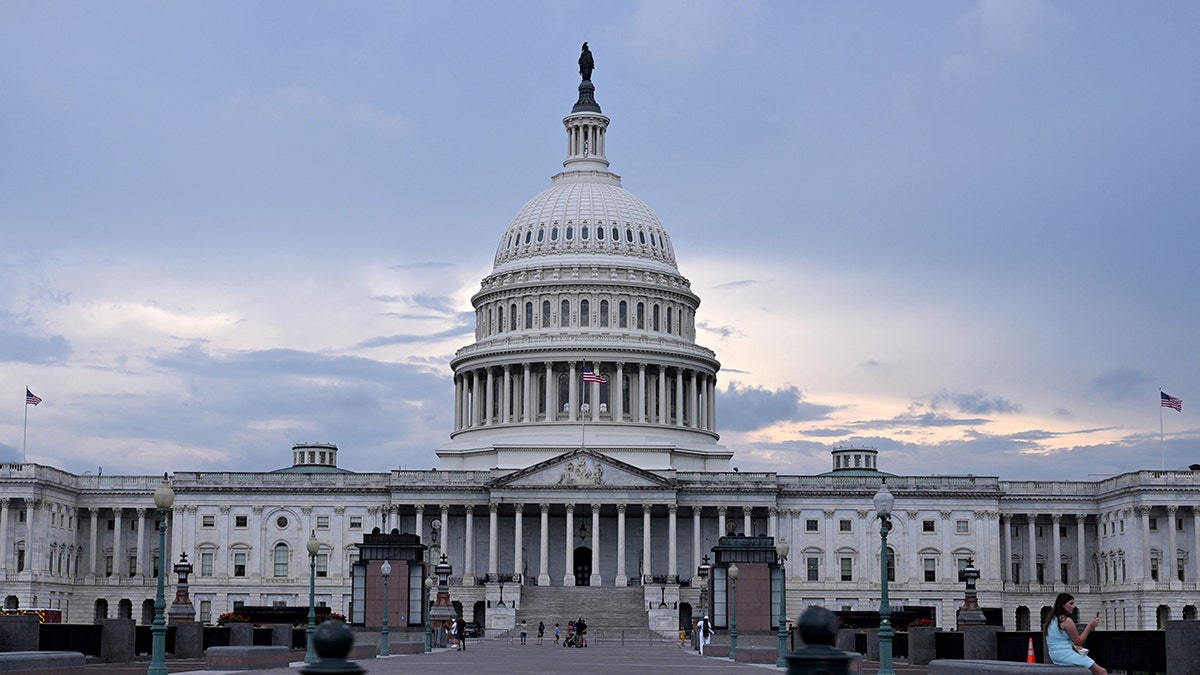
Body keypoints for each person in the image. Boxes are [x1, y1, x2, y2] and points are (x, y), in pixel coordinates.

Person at [1043, 593, 1105, 674]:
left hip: (1055, 655)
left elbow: (1059, 640)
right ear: (1063, 605)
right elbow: (1079, 641)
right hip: (1065, 654)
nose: (1073, 606)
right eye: (1071, 603)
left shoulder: (1052, 620)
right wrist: (1090, 626)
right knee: (1102, 671)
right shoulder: (1066, 620)